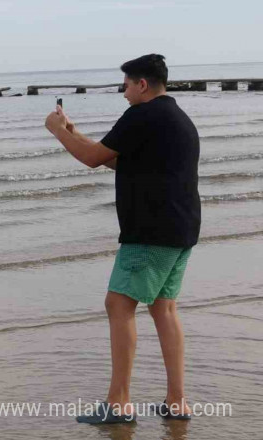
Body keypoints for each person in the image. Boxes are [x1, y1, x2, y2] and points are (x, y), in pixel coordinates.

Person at [44, 54, 200, 423]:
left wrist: (55, 131)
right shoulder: (175, 117)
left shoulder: (142, 115)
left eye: (127, 85)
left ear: (142, 84)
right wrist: (73, 132)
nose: (124, 92)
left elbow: (92, 159)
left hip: (150, 231)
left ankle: (118, 404)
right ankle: (176, 402)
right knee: (164, 308)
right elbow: (119, 159)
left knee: (119, 305)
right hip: (181, 228)